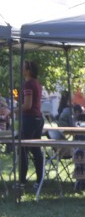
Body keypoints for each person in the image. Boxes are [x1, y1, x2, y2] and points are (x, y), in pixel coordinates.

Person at [19, 59, 44, 187]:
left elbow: (27, 105)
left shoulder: (28, 84)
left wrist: (14, 110)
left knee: (23, 148)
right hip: (38, 118)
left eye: (23, 67)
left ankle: (22, 181)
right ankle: (39, 179)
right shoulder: (37, 83)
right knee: (35, 150)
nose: (21, 69)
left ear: (28, 70)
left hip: (30, 119)